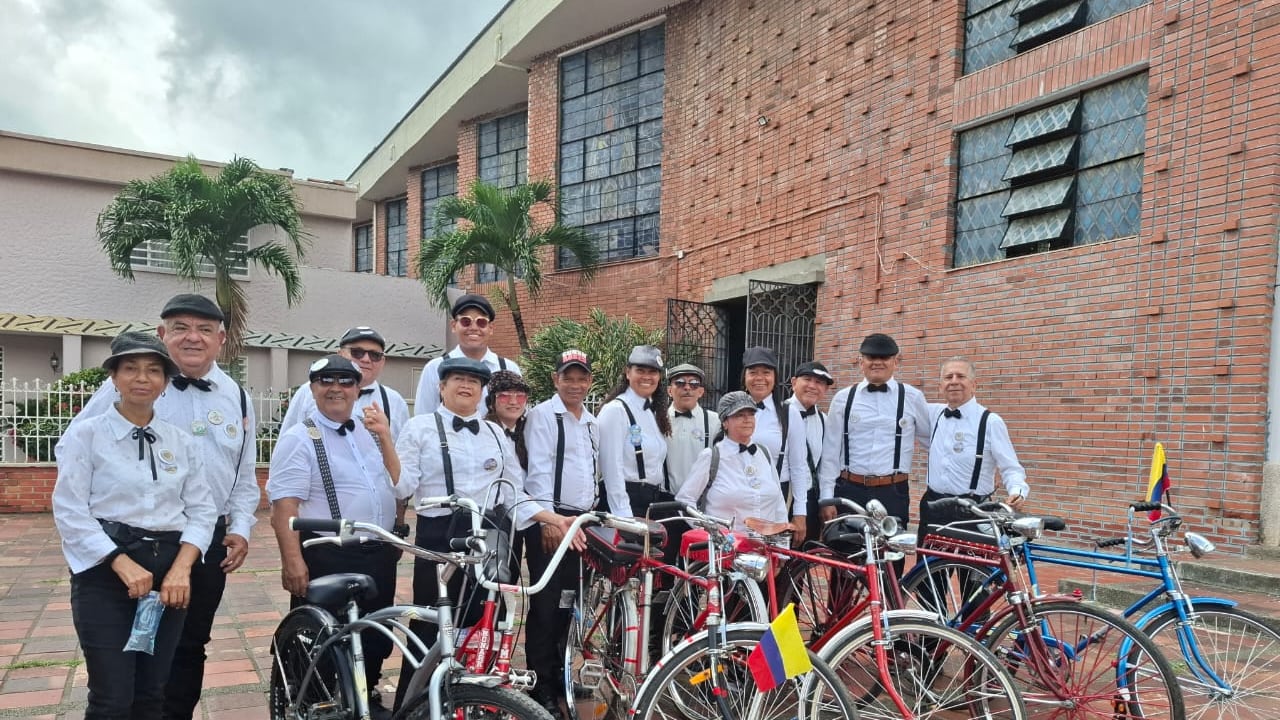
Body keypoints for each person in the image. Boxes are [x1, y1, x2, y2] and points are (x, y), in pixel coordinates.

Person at [69, 293, 259, 720]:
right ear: (162, 333)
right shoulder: (131, 385)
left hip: (202, 540)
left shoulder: (238, 398)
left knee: (189, 647)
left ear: (221, 339)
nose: (193, 338)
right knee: (120, 662)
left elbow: (243, 474)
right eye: (180, 328)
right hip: (128, 542)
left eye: (205, 329)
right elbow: (75, 452)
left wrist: (242, 525)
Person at [53, 331, 217, 719]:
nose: (142, 378)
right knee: (111, 697)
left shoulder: (180, 441)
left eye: (153, 370)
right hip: (106, 572)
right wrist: (121, 563)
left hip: (169, 577)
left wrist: (181, 569)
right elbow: (70, 510)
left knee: (152, 692)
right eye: (131, 368)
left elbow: (202, 509)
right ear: (114, 377)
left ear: (165, 382)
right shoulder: (87, 434)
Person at [393, 357, 572, 710]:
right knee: (431, 627)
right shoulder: (420, 428)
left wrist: (552, 519)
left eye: (473, 381)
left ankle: (471, 703)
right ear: (441, 387)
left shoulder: (494, 433)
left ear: (482, 391)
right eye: (457, 379)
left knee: (479, 627)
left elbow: (514, 494)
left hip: (487, 537)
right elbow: (403, 486)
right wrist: (385, 437)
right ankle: (413, 706)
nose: (465, 386)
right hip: (439, 535)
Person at [266, 355, 401, 720]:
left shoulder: (368, 431)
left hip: (376, 550)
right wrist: (292, 561)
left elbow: (395, 482)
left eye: (345, 380)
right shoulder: (299, 437)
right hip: (328, 553)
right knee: (320, 643)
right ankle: (309, 704)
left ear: (358, 389)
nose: (336, 388)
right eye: (326, 380)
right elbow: (284, 506)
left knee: (375, 634)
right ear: (313, 388)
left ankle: (364, 697)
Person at [521, 349, 599, 718]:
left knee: (571, 606)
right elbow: (536, 470)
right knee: (546, 608)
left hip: (582, 522)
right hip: (554, 520)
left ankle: (561, 677)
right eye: (568, 376)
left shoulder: (590, 422)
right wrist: (548, 520)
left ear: (589, 382)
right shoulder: (542, 416)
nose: (575, 383)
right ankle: (541, 688)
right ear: (556, 379)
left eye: (581, 377)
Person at [819, 334, 931, 574]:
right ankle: (842, 612)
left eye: (884, 357)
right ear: (861, 362)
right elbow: (830, 451)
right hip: (850, 489)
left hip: (893, 491)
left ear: (895, 362)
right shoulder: (843, 399)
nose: (877, 362)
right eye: (871, 357)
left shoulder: (912, 397)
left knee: (892, 561)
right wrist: (827, 496)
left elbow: (932, 440)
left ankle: (890, 611)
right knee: (846, 563)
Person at [919, 358, 1028, 541]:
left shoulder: (991, 422)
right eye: (948, 377)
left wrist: (1017, 491)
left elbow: (1010, 467)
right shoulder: (932, 414)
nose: (954, 381)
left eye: (961, 376)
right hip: (934, 506)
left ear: (974, 385)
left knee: (973, 567)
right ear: (940, 386)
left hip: (974, 510)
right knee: (928, 567)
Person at [675, 391, 793, 532]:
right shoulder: (712, 456)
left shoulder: (764, 453)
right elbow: (684, 501)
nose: (747, 419)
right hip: (726, 549)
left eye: (751, 414)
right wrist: (711, 533)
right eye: (739, 415)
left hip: (764, 548)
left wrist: (781, 545)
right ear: (725, 422)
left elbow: (779, 503)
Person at [281, 326, 410, 439]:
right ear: (340, 354)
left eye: (374, 355)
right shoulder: (308, 392)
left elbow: (401, 455)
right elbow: (286, 443)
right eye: (357, 352)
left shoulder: (395, 402)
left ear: (382, 361)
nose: (366, 359)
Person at [739, 346, 809, 545]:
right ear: (744, 376)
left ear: (775, 377)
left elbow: (798, 465)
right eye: (753, 372)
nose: (759, 378)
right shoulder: (730, 410)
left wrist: (800, 512)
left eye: (766, 373)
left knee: (773, 559)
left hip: (775, 496)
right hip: (739, 494)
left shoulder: (789, 413)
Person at [414, 294, 521, 415]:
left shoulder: (509, 369)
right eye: (466, 321)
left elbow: (518, 419)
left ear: (490, 328)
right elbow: (423, 418)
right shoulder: (434, 368)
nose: (474, 328)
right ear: (454, 326)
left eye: (481, 322)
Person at [597, 345, 671, 518]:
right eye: (640, 370)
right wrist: (624, 516)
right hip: (624, 504)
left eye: (653, 372)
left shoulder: (654, 412)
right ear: (628, 372)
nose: (646, 377)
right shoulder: (616, 410)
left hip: (649, 503)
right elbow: (611, 469)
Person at [785, 361, 834, 544]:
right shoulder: (778, 413)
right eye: (807, 379)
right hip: (783, 498)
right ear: (794, 382)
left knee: (805, 558)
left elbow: (827, 462)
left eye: (819, 382)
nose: (813, 386)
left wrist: (825, 499)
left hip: (811, 499)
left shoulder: (824, 420)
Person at [665, 363, 720, 495]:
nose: (687, 387)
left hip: (701, 500)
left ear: (700, 391)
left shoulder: (714, 421)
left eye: (694, 383)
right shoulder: (658, 419)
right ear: (670, 390)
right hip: (665, 498)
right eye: (680, 383)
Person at [484, 369, 531, 472]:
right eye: (504, 396)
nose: (513, 402)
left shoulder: (530, 431)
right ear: (491, 403)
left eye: (520, 397)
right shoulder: (483, 434)